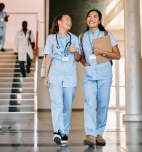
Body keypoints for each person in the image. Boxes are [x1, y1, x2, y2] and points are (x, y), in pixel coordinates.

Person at [80, 9, 121, 147]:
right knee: (90, 103)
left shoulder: (106, 35)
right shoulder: (82, 37)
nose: (91, 18)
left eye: (95, 16)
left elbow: (117, 55)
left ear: (99, 20)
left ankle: (99, 134)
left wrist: (102, 52)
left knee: (102, 104)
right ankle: (90, 134)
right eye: (89, 16)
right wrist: (86, 65)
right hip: (89, 76)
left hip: (105, 75)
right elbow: (81, 56)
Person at [43, 13, 81, 146]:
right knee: (56, 103)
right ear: (58, 22)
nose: (69, 22)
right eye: (67, 19)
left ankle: (64, 131)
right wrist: (46, 76)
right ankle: (58, 131)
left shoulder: (75, 38)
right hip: (55, 74)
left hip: (70, 76)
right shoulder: (51, 38)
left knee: (67, 106)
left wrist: (75, 50)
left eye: (70, 20)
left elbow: (77, 58)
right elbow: (48, 57)